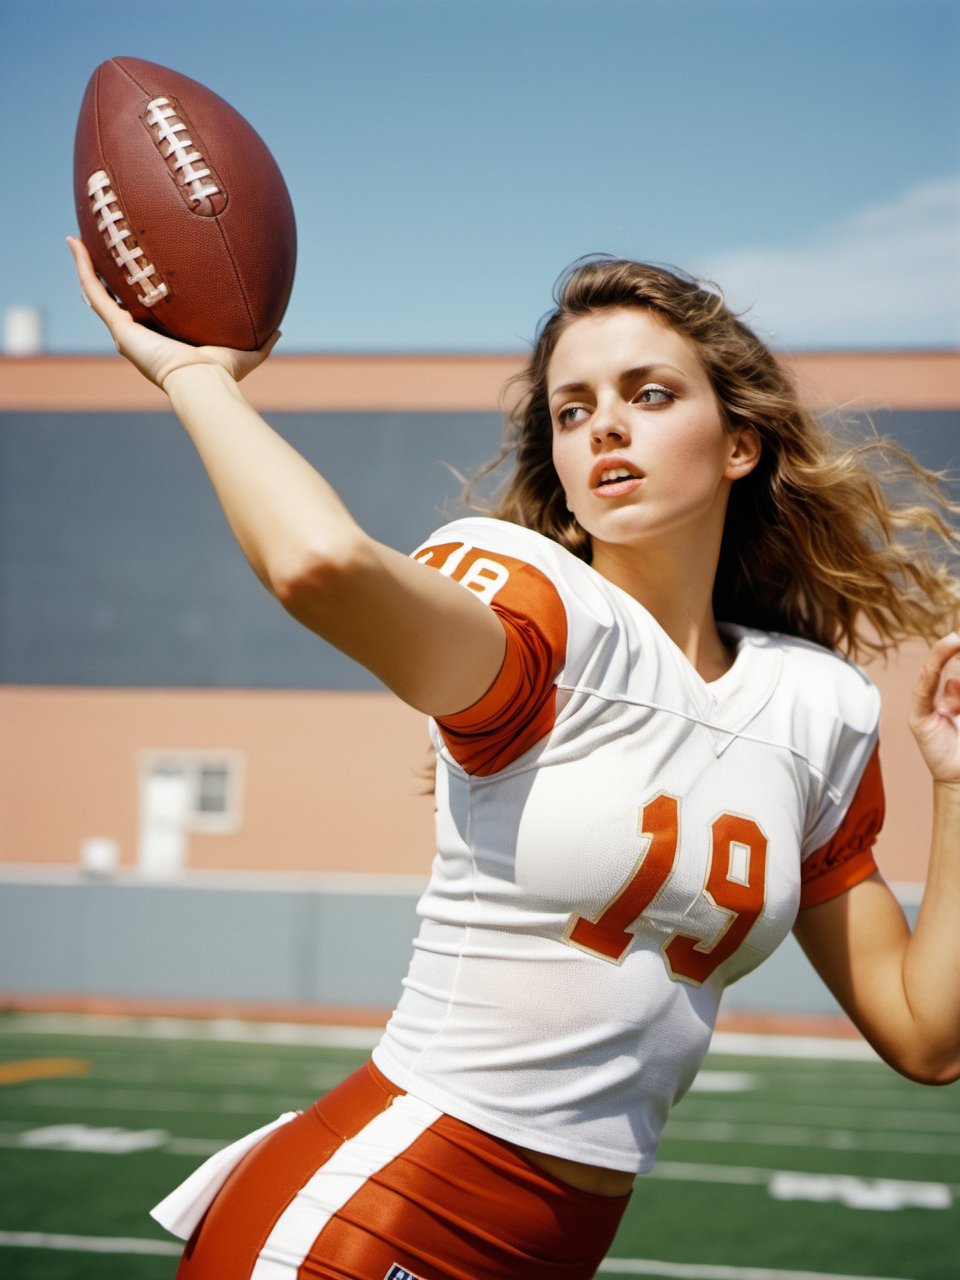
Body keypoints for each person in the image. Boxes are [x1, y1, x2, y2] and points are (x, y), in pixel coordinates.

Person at [68, 240, 960, 1280]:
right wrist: (193, 374)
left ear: (740, 445)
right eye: (572, 408)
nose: (606, 426)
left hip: (557, 1249)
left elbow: (926, 1033)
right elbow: (318, 563)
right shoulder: (537, 605)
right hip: (378, 1213)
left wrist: (954, 778)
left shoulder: (816, 703)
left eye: (651, 392)